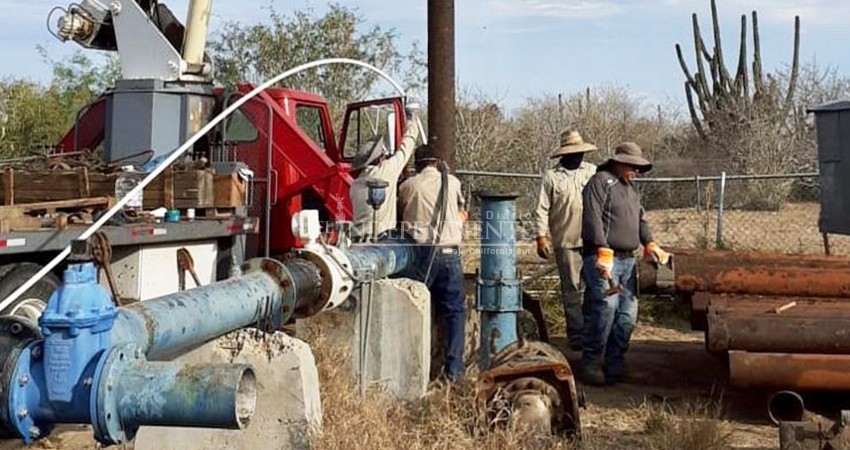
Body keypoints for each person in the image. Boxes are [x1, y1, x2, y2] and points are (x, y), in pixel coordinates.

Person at [580, 142, 671, 386]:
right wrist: (601, 248)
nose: (636, 171)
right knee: (605, 309)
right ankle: (592, 362)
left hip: (628, 260)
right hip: (603, 258)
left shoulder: (630, 188)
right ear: (619, 162)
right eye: (633, 166)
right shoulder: (600, 182)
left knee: (627, 315)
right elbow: (592, 216)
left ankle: (614, 363)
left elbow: (640, 219)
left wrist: (650, 243)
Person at [398, 144, 468, 380]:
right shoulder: (454, 183)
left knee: (416, 309)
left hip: (420, 254)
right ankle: (455, 370)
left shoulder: (408, 186)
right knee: (455, 311)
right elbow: (461, 211)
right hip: (449, 253)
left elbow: (399, 215)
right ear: (437, 162)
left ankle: (415, 370)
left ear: (416, 164)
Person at [532, 130, 597, 351]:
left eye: (580, 152)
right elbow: (541, 209)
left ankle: (591, 331)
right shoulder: (552, 176)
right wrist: (541, 237)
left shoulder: (592, 172)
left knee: (593, 288)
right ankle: (576, 334)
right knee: (570, 289)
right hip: (565, 240)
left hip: (592, 240)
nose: (578, 156)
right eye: (574, 152)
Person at [349, 106, 420, 242]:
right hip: (380, 240)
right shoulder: (385, 172)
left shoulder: (355, 184)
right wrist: (412, 120)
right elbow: (407, 146)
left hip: (356, 239)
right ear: (380, 158)